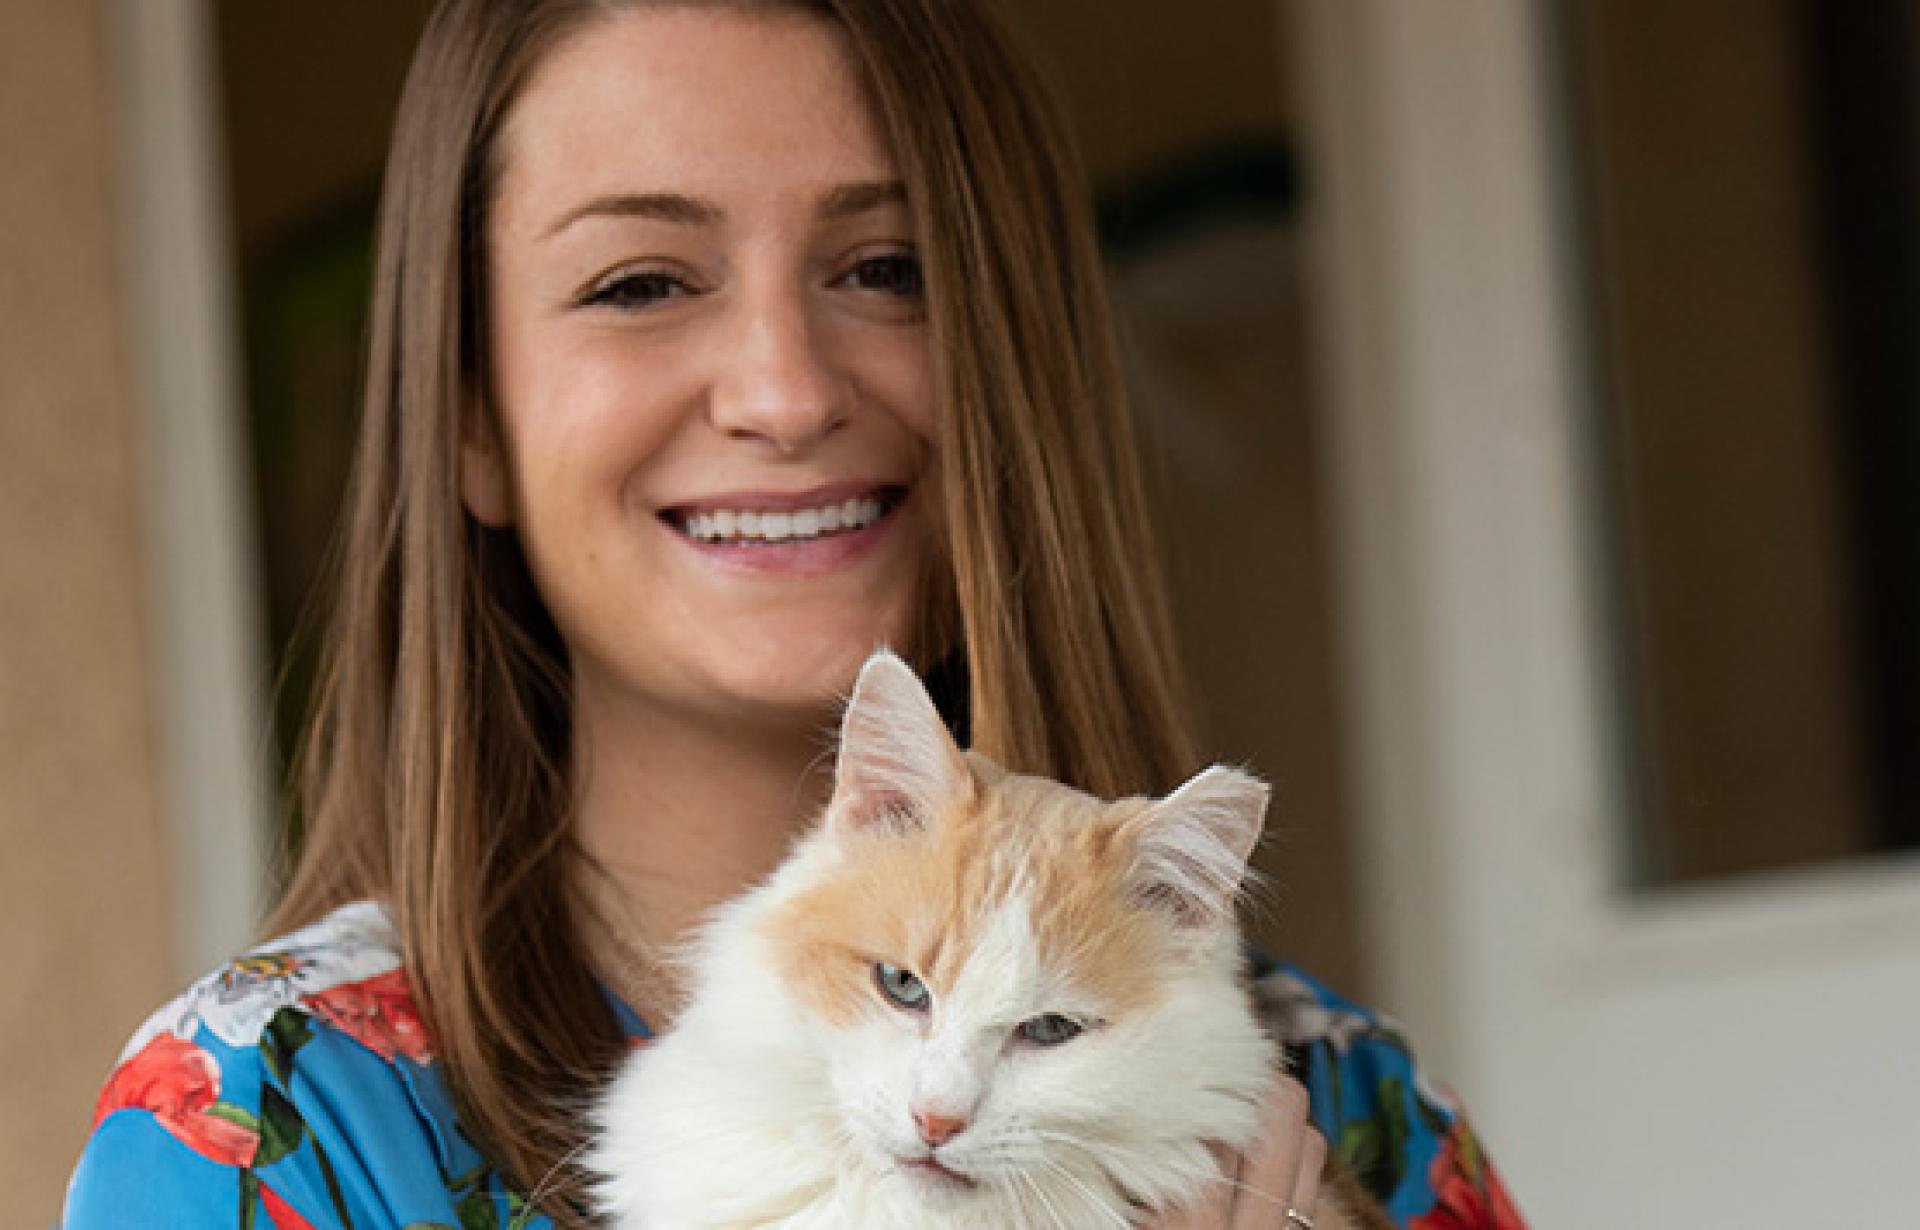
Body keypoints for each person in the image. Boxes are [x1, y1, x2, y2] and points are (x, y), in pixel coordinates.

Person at [64, 1, 1526, 1227]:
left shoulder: (1347, 1106)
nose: (786, 389)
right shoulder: (265, 1122)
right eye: (641, 281)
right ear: (471, 418)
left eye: (885, 269)